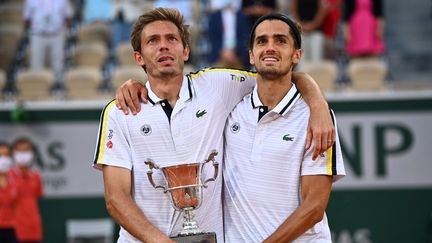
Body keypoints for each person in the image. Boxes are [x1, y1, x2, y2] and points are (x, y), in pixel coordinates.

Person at [95, 8, 334, 242]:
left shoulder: (217, 85)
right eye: (153, 41)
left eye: (172, 39)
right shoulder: (120, 112)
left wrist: (317, 102)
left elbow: (276, 74)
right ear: (139, 57)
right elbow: (116, 200)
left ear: (186, 50)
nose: (163, 46)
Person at [223, 13, 345, 242]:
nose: (270, 48)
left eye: (280, 40)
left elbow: (314, 208)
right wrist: (132, 84)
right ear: (251, 55)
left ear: (296, 55)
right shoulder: (229, 108)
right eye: (262, 41)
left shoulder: (315, 117)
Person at [23, 0, 73, 86]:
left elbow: (68, 16)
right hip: (38, 35)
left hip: (56, 34)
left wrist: (64, 30)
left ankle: (57, 88)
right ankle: (37, 88)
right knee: (36, 64)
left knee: (58, 65)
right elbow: (26, 18)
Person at [10, 138, 43, 243]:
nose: (23, 154)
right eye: (20, 151)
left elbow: (38, 196)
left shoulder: (36, 176)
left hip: (33, 227)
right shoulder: (8, 176)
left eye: (26, 150)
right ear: (14, 154)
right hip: (13, 227)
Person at [0, 142, 18, 243]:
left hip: (14, 228)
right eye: (0, 155)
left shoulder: (17, 177)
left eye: (6, 155)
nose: (3, 159)